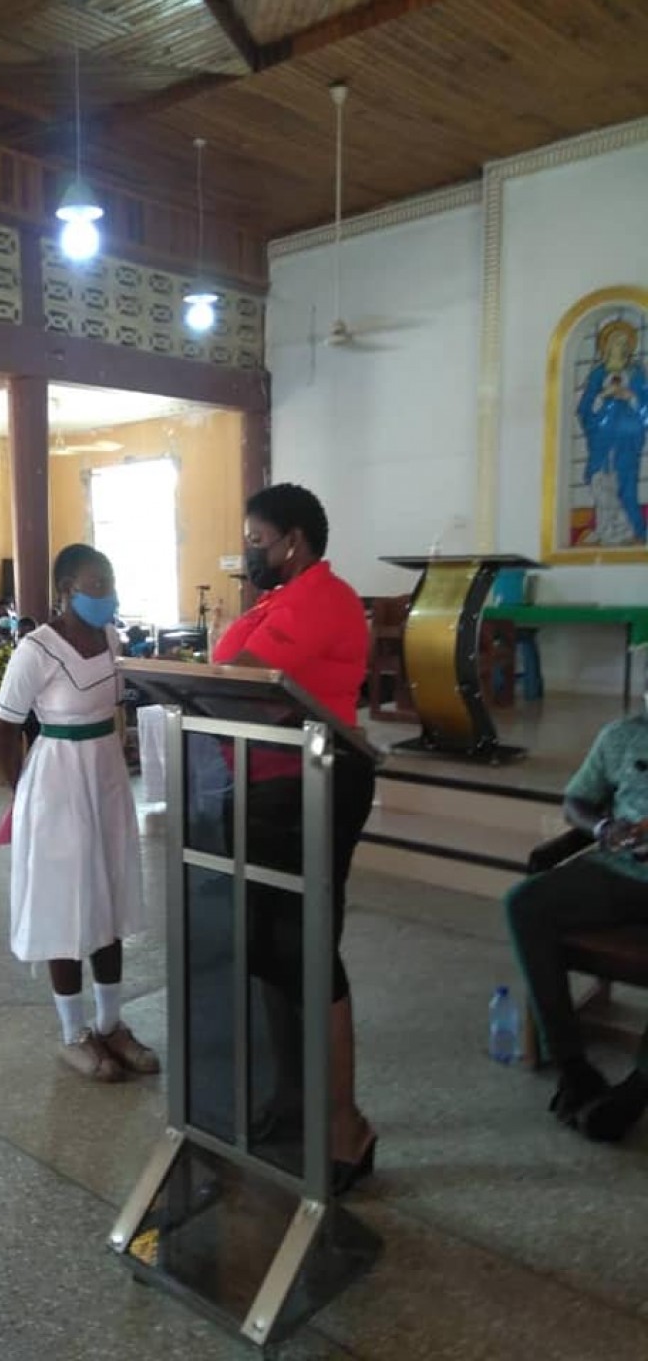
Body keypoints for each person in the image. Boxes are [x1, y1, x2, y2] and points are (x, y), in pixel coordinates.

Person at [211, 483, 376, 1192]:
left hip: (315, 781)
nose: (248, 551)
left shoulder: (321, 599)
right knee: (268, 946)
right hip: (265, 781)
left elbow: (237, 675)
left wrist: (224, 655)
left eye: (257, 539)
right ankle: (291, 1095)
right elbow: (224, 667)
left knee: (308, 949)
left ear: (294, 540)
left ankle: (346, 1125)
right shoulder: (278, 600)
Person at [0, 545, 157, 1083]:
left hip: (106, 776)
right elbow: (2, 729)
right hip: (57, 780)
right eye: (96, 585)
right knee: (64, 904)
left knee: (109, 894)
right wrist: (23, 794)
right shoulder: (36, 649)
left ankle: (110, 1024)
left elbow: (116, 707)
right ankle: (73, 1033)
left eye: (110, 583)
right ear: (66, 590)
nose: (107, 594)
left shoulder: (110, 639)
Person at [505, 708, 648, 1142]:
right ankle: (573, 1067)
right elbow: (576, 803)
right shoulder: (621, 735)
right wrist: (604, 828)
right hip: (619, 870)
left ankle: (637, 1091)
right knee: (526, 904)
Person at [577, 319, 648, 546]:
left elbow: (645, 406)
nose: (621, 347)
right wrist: (602, 395)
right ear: (606, 346)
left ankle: (630, 530)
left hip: (627, 438)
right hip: (601, 438)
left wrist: (631, 397)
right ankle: (605, 528)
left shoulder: (636, 373)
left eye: (625, 343)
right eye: (617, 342)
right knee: (599, 481)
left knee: (625, 483)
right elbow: (585, 409)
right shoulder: (598, 374)